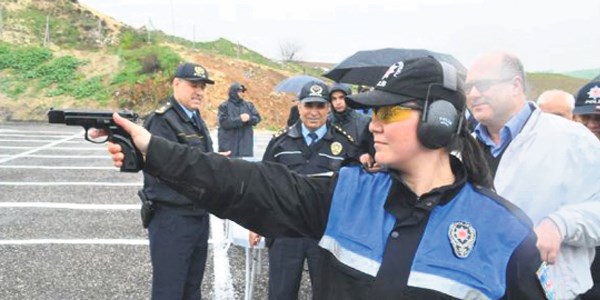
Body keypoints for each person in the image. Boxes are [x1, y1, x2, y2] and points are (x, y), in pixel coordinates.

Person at [104, 56, 547, 299]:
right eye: (372, 112)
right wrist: (152, 149)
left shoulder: (503, 231)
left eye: (389, 112)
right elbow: (244, 183)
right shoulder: (347, 194)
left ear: (440, 120)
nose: (374, 124)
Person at [466, 52, 600, 299]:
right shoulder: (462, 149)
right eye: (469, 87)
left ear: (515, 85)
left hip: (553, 290)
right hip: (483, 288)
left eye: (483, 85)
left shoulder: (572, 139)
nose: (473, 94)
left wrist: (562, 223)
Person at [252, 81, 363, 300]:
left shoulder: (345, 144)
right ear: (299, 106)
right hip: (285, 230)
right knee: (281, 293)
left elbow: (353, 190)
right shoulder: (280, 143)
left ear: (328, 108)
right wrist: (256, 223)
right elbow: (263, 185)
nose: (314, 112)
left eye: (320, 106)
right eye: (308, 105)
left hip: (325, 233)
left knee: (328, 294)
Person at [141, 62, 216, 299]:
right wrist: (207, 165)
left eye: (203, 87)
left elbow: (197, 160)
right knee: (169, 290)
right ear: (176, 84)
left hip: (197, 216)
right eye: (194, 85)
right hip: (171, 218)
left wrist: (214, 163)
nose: (199, 92)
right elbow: (167, 169)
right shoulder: (162, 120)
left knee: (192, 289)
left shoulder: (194, 118)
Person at [574, 81, 600, 300]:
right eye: (586, 118)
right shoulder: (565, 156)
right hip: (580, 271)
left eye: (599, 118)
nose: (592, 125)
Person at [328, 83, 374, 155]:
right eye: (334, 99)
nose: (338, 102)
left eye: (341, 97)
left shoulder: (365, 122)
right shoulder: (326, 121)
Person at [217, 82, 261, 157]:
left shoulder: (249, 105)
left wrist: (249, 119)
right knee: (227, 167)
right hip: (229, 146)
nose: (241, 93)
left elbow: (257, 118)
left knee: (244, 167)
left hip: (245, 146)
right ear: (233, 92)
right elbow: (224, 122)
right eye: (239, 91)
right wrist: (239, 119)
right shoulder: (224, 106)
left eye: (242, 91)